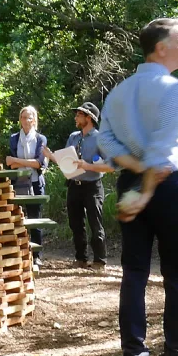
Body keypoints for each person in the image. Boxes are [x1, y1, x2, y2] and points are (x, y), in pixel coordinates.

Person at [99, 18, 178, 356]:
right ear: (161, 48)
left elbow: (106, 141)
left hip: (131, 184)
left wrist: (135, 173)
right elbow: (163, 146)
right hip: (166, 187)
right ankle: (175, 354)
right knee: (176, 272)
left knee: (135, 271)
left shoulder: (119, 91)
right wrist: (149, 188)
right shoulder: (175, 89)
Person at [64, 102, 113, 268]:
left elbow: (110, 166)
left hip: (93, 186)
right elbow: (66, 161)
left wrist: (87, 165)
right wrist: (51, 156)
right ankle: (81, 258)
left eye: (79, 114)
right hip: (74, 185)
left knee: (95, 223)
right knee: (75, 224)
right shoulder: (73, 137)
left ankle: (99, 261)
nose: (75, 117)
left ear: (89, 118)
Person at [6, 105, 49, 268]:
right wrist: (22, 163)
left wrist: (18, 161)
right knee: (17, 217)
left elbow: (38, 163)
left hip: (36, 183)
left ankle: (37, 255)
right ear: (20, 120)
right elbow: (10, 165)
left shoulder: (40, 139)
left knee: (34, 219)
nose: (26, 120)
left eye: (29, 117)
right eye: (23, 117)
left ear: (34, 120)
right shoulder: (14, 138)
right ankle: (18, 252)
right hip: (19, 182)